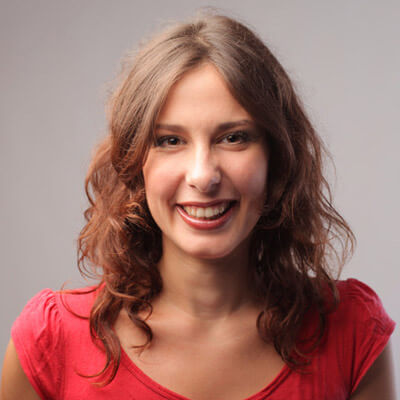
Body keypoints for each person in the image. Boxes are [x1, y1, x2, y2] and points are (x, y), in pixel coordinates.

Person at [1, 12, 396, 400]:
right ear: (134, 163)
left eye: (234, 137)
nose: (203, 176)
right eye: (170, 141)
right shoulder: (50, 340)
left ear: (276, 158)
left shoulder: (352, 331)